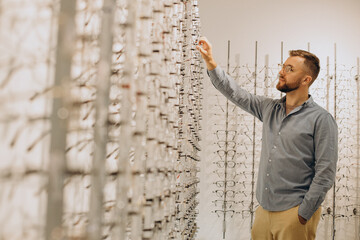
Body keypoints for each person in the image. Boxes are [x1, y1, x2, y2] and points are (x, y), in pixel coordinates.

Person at [196, 37, 338, 240]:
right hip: (264, 210)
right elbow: (236, 93)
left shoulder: (322, 119)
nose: (281, 72)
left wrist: (304, 212)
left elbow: (326, 172)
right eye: (283, 66)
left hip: (295, 213)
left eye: (290, 69)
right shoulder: (270, 108)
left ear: (306, 79)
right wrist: (210, 61)